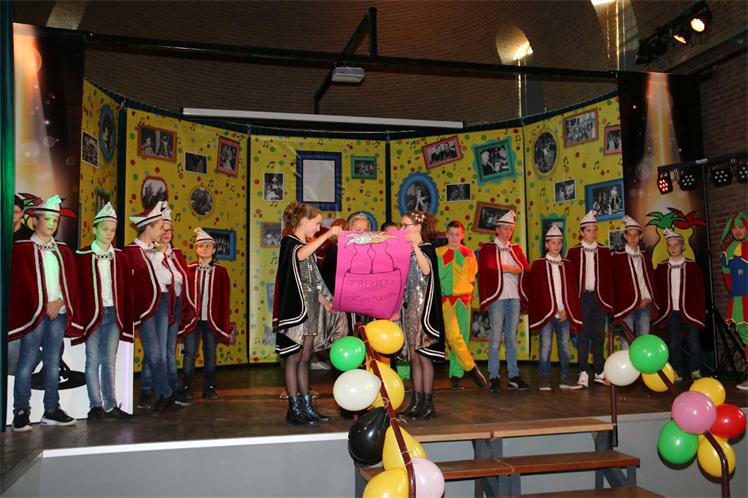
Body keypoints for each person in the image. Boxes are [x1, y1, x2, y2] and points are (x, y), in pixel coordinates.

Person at [9, 195, 79, 431]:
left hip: (57, 313)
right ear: (35, 220)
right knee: (27, 360)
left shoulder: (63, 250)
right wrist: (41, 305)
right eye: (47, 219)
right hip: (33, 314)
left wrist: (60, 301)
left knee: (52, 362)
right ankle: (21, 412)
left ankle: (51, 409)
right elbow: (20, 286)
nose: (51, 224)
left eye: (55, 220)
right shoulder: (22, 249)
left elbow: (70, 283)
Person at [273, 202, 341, 425]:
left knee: (305, 359)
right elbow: (300, 256)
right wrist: (328, 234)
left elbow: (312, 282)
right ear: (303, 221)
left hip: (310, 311)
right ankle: (294, 408)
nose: (319, 228)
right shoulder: (290, 242)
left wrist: (325, 302)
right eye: (317, 223)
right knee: (293, 359)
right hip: (296, 311)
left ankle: (307, 406)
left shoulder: (306, 245)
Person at [73, 202, 134, 421]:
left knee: (109, 360)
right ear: (94, 229)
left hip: (113, 313)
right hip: (93, 315)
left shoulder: (121, 257)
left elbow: (126, 289)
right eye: (105, 229)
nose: (109, 234)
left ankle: (110, 404)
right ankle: (95, 405)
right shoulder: (82, 255)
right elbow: (77, 288)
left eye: (113, 230)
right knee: (92, 359)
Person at [124, 202, 180, 413]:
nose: (163, 232)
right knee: (154, 352)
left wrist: (158, 257)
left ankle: (164, 395)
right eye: (159, 228)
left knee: (161, 352)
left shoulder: (157, 251)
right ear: (148, 228)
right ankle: (164, 394)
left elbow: (168, 278)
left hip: (162, 302)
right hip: (145, 307)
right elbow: (134, 281)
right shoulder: (131, 251)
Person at [139, 203, 194, 407]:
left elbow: (183, 277)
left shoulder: (176, 254)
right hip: (159, 304)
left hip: (175, 304)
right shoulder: (150, 253)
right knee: (155, 351)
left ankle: (172, 388)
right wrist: (173, 276)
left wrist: (174, 277)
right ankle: (147, 390)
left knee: (168, 350)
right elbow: (162, 278)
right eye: (163, 229)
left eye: (169, 230)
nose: (166, 233)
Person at [396, 210, 445, 420]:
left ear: (417, 227)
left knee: (424, 357)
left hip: (424, 309)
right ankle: (416, 402)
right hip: (410, 310)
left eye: (405, 225)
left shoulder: (427, 248)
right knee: (414, 358)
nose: (402, 229)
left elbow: (426, 270)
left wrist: (414, 245)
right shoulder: (406, 251)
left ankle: (427, 403)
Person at [524, 225, 583, 391]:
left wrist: (567, 310)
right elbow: (535, 291)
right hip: (547, 314)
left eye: (559, 242)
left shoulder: (568, 265)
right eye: (553, 242)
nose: (556, 246)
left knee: (565, 347)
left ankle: (565, 377)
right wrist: (547, 309)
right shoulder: (539, 264)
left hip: (564, 314)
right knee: (545, 347)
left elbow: (572, 291)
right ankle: (544, 377)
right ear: (546, 244)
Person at [478, 210, 530, 393]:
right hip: (497, 298)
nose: (508, 232)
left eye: (511, 229)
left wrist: (511, 268)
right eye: (505, 229)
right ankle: (494, 376)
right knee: (495, 338)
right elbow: (487, 269)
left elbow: (525, 269)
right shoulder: (488, 248)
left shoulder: (516, 248)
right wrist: (509, 268)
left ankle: (513, 376)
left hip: (514, 296)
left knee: (511, 338)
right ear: (497, 229)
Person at [179, 228, 231, 401]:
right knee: (190, 353)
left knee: (210, 352)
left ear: (214, 249)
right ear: (196, 249)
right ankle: (187, 388)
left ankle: (209, 388)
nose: (204, 249)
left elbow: (224, 299)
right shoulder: (188, 270)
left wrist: (223, 320)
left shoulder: (221, 272)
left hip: (211, 320)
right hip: (192, 320)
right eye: (201, 246)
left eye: (208, 246)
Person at [436, 220, 486, 390]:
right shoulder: (438, 253)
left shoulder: (469, 254)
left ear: (462, 235)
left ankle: (456, 374)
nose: (454, 237)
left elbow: (472, 276)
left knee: (463, 337)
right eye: (451, 234)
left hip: (463, 300)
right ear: (446, 234)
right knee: (453, 336)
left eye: (457, 234)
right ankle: (471, 368)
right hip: (445, 300)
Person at [566, 210, 613, 387]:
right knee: (583, 336)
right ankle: (583, 371)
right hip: (583, 298)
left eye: (594, 230)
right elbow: (569, 280)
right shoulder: (573, 252)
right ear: (581, 232)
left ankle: (599, 371)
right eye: (588, 230)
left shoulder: (604, 251)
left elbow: (609, 278)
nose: (592, 233)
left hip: (599, 298)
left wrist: (609, 301)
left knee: (599, 335)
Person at [652, 229, 706, 382]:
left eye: (676, 245)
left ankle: (696, 370)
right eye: (670, 245)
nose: (673, 248)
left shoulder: (693, 267)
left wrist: (700, 309)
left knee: (693, 341)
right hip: (672, 311)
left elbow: (699, 290)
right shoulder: (662, 267)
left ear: (683, 246)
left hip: (689, 310)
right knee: (674, 342)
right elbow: (657, 289)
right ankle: (677, 371)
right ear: (667, 247)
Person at [612, 215, 659, 347]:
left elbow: (650, 281)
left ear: (640, 236)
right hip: (627, 305)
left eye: (635, 235)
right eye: (629, 235)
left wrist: (648, 298)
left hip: (645, 303)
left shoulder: (645, 257)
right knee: (626, 339)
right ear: (625, 236)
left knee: (643, 339)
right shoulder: (617, 257)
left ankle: (642, 361)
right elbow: (617, 284)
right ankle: (626, 361)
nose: (632, 238)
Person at [720, 212, 748, 390]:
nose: (738, 231)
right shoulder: (728, 250)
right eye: (734, 228)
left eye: (741, 227)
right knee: (746, 337)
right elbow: (727, 275)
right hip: (738, 300)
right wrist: (735, 293)